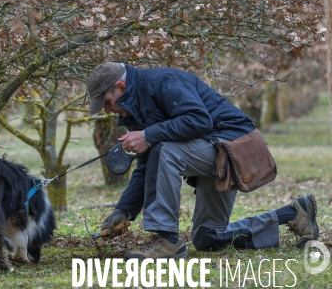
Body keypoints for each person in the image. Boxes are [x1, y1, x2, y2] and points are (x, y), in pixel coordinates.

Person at [88, 62, 319, 259]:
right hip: (214, 155)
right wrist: (124, 210)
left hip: (235, 147)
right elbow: (148, 165)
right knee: (208, 238)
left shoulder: (162, 81)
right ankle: (294, 213)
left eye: (107, 102)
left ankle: (167, 241)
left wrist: (148, 135)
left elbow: (199, 120)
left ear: (120, 87)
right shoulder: (133, 110)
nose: (108, 110)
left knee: (164, 150)